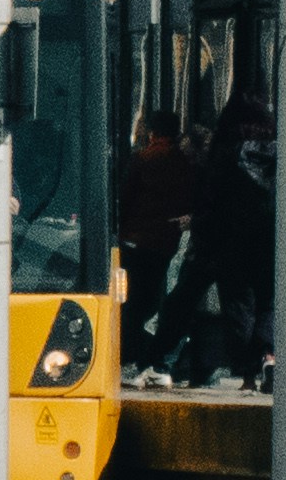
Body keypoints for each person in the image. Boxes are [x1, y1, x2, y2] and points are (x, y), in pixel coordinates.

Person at [167, 94, 276, 388]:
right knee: (269, 303)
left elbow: (211, 201)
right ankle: (269, 355)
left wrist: (204, 239)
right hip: (271, 242)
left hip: (232, 243)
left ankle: (250, 374)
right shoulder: (281, 150)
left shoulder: (225, 152)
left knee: (238, 307)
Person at [118, 112, 193, 367]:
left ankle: (131, 348)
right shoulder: (183, 162)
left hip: (136, 238)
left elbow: (126, 198)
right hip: (165, 241)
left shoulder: (142, 159)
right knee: (151, 293)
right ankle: (142, 348)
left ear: (152, 132)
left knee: (132, 298)